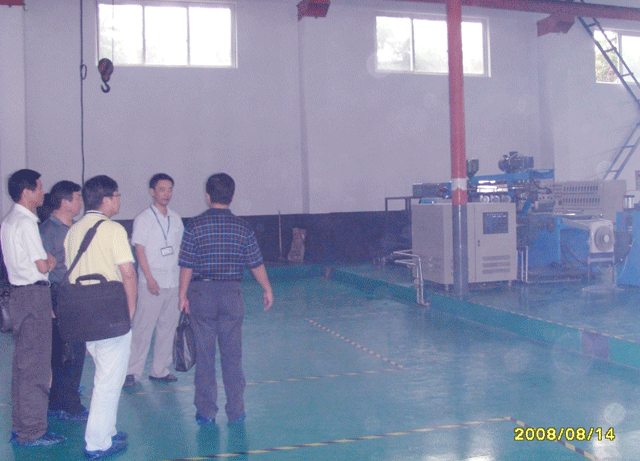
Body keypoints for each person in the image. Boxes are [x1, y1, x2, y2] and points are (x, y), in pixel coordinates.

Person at [178, 173, 274, 426]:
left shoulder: (194, 226)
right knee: (232, 356)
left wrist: (182, 295)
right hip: (232, 294)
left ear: (208, 196)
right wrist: (267, 288)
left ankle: (206, 412)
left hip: (201, 295)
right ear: (232, 197)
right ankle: (236, 411)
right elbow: (256, 262)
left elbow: (186, 265)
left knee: (205, 356)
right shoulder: (243, 227)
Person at [64, 175, 136, 460]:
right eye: (117, 195)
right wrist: (131, 311)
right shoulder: (113, 230)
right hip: (110, 313)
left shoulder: (74, 230)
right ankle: (97, 444)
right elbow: (127, 273)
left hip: (84, 314)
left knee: (108, 376)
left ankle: (108, 429)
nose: (118, 200)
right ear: (106, 199)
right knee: (107, 382)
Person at [1, 169, 65, 447]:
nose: (42, 192)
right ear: (27, 192)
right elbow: (43, 265)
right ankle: (33, 431)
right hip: (33, 295)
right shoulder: (26, 222)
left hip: (19, 295)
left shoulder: (9, 220)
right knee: (37, 367)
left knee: (23, 366)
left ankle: (21, 426)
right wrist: (51, 261)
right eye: (39, 187)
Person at [124, 173, 184, 387]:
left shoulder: (176, 219)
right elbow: (139, 249)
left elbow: (180, 249)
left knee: (168, 329)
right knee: (143, 329)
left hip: (173, 282)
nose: (166, 194)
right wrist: (149, 279)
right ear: (152, 192)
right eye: (161, 189)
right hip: (151, 283)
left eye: (169, 189)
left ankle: (160, 370)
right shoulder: (144, 219)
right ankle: (132, 372)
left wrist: (183, 284)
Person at [40, 181, 88, 421]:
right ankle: (66, 404)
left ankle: (64, 398)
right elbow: (41, 270)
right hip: (58, 294)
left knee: (77, 350)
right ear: (64, 202)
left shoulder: (79, 228)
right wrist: (47, 302)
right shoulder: (47, 231)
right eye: (77, 197)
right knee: (62, 351)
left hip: (79, 294)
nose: (80, 202)